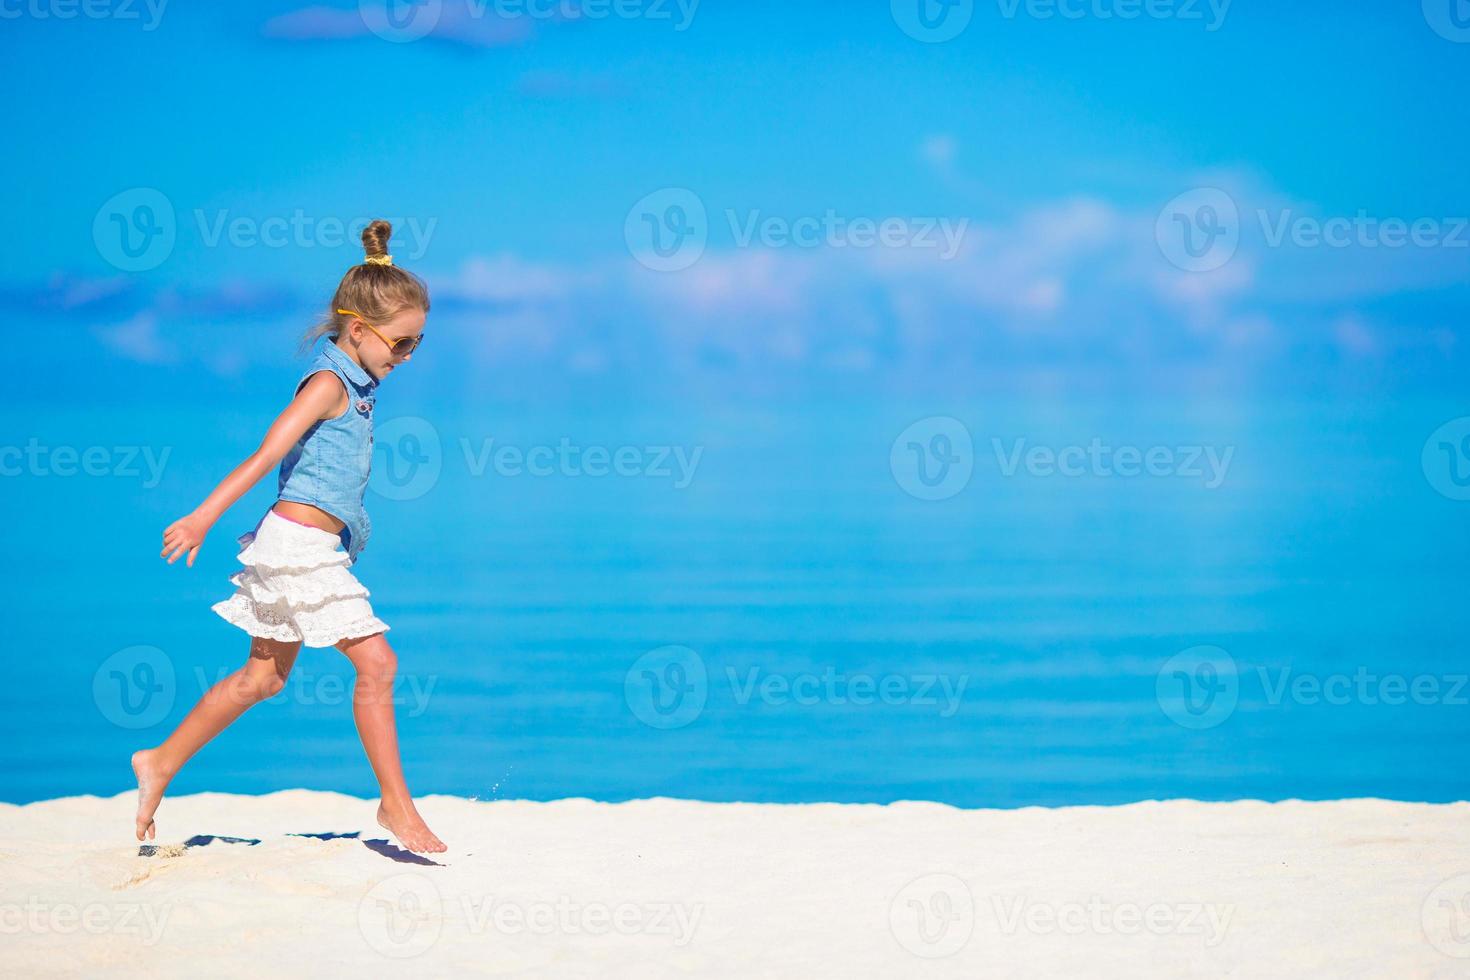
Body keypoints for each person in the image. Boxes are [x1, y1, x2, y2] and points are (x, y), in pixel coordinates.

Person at [133, 219, 446, 854]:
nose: (406, 357)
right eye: (401, 344)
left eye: (416, 345)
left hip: (303, 546)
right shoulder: (329, 384)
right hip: (295, 547)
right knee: (378, 662)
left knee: (262, 679)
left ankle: (159, 762)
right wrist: (202, 516)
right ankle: (395, 805)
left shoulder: (357, 383)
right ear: (357, 331)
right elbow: (264, 453)